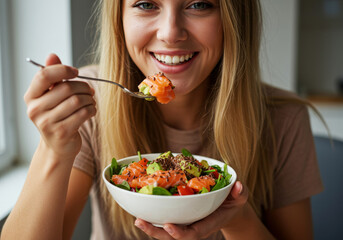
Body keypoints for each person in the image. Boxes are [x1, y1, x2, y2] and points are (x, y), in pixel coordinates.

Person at [1, 0, 323, 239]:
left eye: (199, 4)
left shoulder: (284, 119)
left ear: (234, 16)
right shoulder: (87, 103)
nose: (170, 33)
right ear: (120, 18)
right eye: (146, 4)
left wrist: (236, 219)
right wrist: (53, 149)